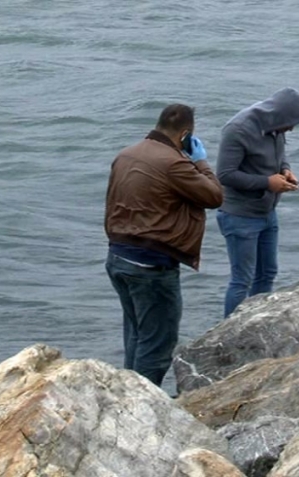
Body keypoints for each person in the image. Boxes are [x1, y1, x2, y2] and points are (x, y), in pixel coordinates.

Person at [104, 104, 223, 387]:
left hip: (118, 257)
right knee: (157, 345)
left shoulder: (126, 154)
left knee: (136, 334)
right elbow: (214, 196)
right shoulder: (174, 163)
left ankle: (126, 395)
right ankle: (140, 405)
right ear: (185, 135)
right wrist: (201, 162)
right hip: (151, 265)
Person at [216, 87, 299, 318]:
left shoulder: (275, 126)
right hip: (240, 215)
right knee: (242, 280)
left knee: (267, 273)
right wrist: (267, 182)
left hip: (267, 211)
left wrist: (285, 170)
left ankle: (256, 323)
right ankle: (227, 335)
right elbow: (225, 175)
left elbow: (279, 154)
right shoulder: (237, 130)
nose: (292, 128)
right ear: (278, 116)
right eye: (290, 123)